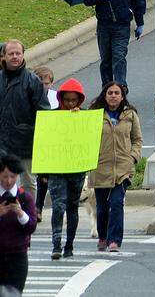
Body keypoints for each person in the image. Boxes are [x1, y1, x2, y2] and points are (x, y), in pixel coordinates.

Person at [90, 81, 143, 252]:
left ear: (122, 96)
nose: (113, 96)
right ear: (104, 96)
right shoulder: (95, 114)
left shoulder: (131, 115)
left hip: (123, 168)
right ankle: (103, 236)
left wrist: (133, 157)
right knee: (102, 208)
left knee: (117, 203)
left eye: (117, 93)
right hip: (100, 168)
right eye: (110, 93)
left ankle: (114, 240)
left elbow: (137, 140)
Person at [84, 0, 147, 85]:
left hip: (122, 25)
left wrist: (140, 22)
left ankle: (120, 88)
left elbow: (138, 1)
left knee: (119, 56)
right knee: (106, 60)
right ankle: (106, 88)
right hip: (104, 25)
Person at [0, 39, 49, 200]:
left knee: (28, 182)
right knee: (3, 181)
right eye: (11, 53)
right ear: (4, 56)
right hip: (2, 142)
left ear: (23, 55)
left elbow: (43, 112)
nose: (15, 57)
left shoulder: (33, 81)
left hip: (26, 142)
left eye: (18, 53)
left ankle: (29, 217)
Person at [44, 78, 87, 260]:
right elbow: (44, 144)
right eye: (67, 100)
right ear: (61, 99)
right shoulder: (52, 117)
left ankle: (69, 245)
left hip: (76, 169)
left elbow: (89, 140)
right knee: (58, 206)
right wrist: (44, 172)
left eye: (73, 100)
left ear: (79, 101)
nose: (70, 104)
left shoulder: (84, 117)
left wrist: (78, 119)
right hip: (56, 169)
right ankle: (56, 244)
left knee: (72, 207)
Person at [0, 155, 37, 294]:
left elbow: (31, 227)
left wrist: (21, 214)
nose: (8, 181)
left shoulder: (25, 197)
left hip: (18, 256)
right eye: (4, 176)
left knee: (13, 293)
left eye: (12, 176)